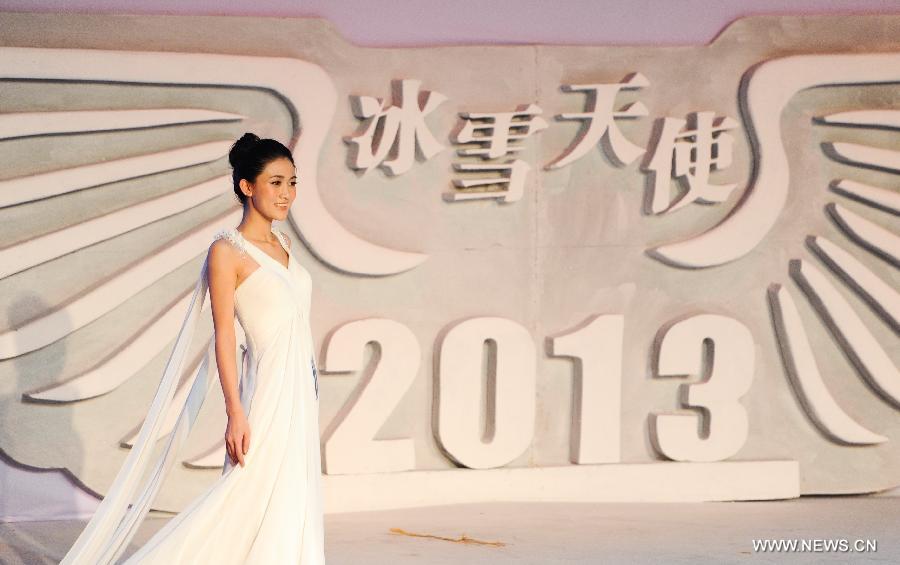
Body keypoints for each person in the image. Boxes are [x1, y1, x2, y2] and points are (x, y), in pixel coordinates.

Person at [61, 133, 325, 564]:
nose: (287, 194)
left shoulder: (285, 247)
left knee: (293, 494)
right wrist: (235, 411)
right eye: (275, 182)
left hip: (301, 393)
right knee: (244, 494)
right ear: (247, 186)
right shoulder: (227, 251)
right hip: (265, 393)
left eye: (292, 182)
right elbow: (223, 333)